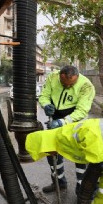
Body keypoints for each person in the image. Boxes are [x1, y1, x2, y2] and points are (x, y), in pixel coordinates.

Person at [38, 65, 95, 193]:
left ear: (77, 77)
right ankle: (59, 183)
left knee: (79, 154)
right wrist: (46, 104)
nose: (68, 86)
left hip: (76, 120)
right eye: (64, 83)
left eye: (71, 84)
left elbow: (82, 110)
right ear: (60, 76)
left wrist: (63, 122)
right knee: (52, 151)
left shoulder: (86, 86)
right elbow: (44, 95)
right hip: (55, 115)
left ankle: (81, 189)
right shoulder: (52, 77)